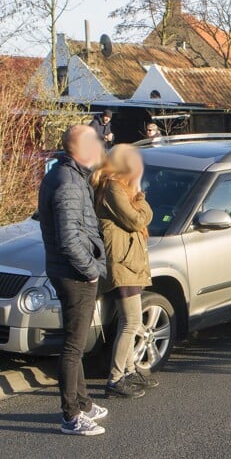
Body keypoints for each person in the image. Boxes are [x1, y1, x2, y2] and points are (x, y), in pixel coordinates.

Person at [38, 125, 108, 436]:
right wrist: (91, 269)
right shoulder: (67, 180)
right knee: (73, 346)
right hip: (75, 274)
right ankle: (71, 415)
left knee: (75, 342)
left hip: (70, 271)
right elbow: (68, 239)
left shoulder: (68, 174)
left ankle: (83, 402)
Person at [91, 144, 160, 399]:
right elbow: (137, 220)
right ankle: (116, 378)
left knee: (130, 320)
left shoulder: (118, 187)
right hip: (122, 262)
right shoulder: (112, 187)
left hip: (129, 261)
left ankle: (129, 371)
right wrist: (141, 199)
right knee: (131, 322)